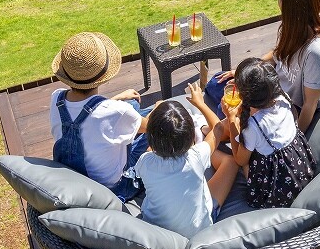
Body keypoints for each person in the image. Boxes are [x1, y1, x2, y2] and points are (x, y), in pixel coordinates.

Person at [206, 0, 320, 134]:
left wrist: (294, 142)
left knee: (225, 107)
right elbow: (277, 54)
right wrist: (247, 73)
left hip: (284, 108)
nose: (278, 1)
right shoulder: (294, 28)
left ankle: (223, 130)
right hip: (271, 87)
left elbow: (309, 106)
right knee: (215, 84)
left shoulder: (317, 52)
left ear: (290, 6)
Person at [48, 32, 152, 200]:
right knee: (160, 115)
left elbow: (88, 114)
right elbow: (150, 127)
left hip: (77, 177)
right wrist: (161, 107)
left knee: (131, 105)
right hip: (116, 186)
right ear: (103, 76)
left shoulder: (56, 98)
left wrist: (117, 98)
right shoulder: (115, 112)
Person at [133, 84, 239, 237]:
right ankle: (199, 139)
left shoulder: (145, 162)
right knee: (230, 162)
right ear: (190, 137)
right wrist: (200, 103)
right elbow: (218, 128)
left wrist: (157, 108)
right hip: (198, 230)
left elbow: (151, 151)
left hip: (158, 231)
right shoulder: (196, 156)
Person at [217, 58, 315, 209]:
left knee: (245, 159)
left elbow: (240, 160)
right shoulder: (283, 98)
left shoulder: (254, 126)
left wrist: (231, 120)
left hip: (278, 189)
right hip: (301, 171)